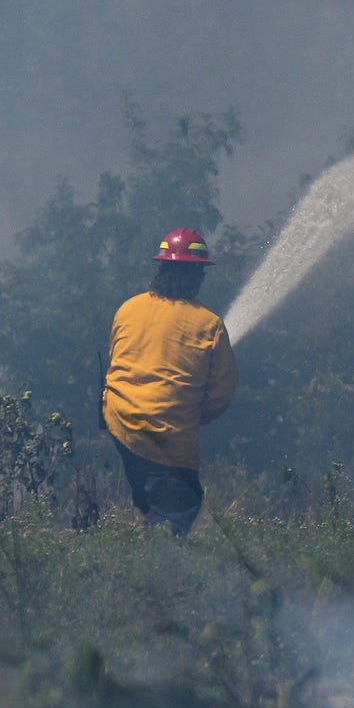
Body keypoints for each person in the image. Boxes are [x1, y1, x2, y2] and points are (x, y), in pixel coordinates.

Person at [101, 228, 238, 534]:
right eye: (199, 272)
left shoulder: (128, 308)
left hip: (120, 422)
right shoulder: (210, 324)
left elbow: (117, 360)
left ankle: (142, 538)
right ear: (195, 276)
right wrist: (190, 415)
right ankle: (155, 574)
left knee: (150, 503)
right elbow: (220, 395)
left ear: (161, 269)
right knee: (179, 511)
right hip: (168, 435)